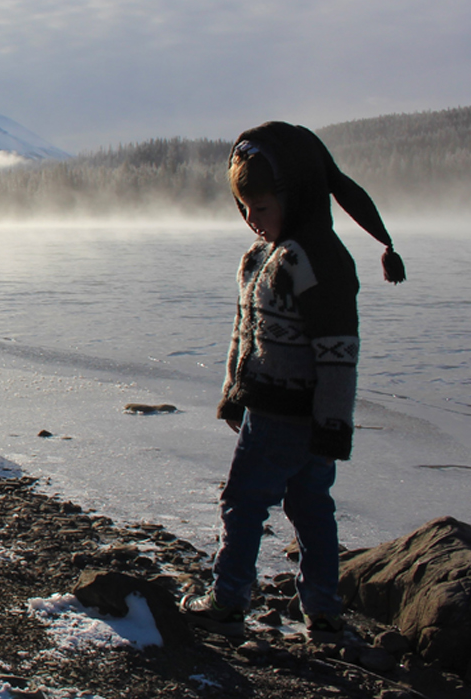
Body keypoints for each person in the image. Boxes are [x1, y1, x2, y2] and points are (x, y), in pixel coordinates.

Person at [181, 121, 404, 641]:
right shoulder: (264, 258)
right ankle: (323, 611)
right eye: (245, 210)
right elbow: (245, 332)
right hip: (279, 410)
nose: (253, 220)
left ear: (297, 194)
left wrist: (332, 423)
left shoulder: (310, 260)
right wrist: (234, 394)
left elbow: (337, 352)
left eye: (262, 207)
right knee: (311, 509)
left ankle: (228, 600)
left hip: (284, 416)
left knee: (242, 502)